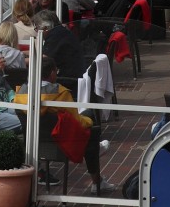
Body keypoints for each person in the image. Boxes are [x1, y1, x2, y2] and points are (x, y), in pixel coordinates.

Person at [13, 55, 114, 193]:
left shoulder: (20, 93)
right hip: (63, 142)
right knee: (91, 127)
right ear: (52, 73)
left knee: (89, 132)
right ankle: (97, 181)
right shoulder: (60, 93)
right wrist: (90, 121)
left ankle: (95, 150)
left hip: (34, 142)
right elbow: (77, 121)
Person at [34, 10, 89, 82]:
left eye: (37, 29)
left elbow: (45, 59)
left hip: (68, 80)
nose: (36, 31)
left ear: (45, 28)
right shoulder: (61, 32)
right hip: (74, 75)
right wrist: (22, 53)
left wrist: (22, 58)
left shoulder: (55, 37)